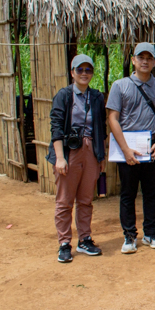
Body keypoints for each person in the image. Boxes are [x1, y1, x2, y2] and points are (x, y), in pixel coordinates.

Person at [107, 43, 155, 254]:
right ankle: (129, 236)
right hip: (127, 148)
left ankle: (151, 233)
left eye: (149, 58)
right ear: (133, 60)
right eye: (140, 57)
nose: (145, 61)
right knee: (127, 193)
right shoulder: (120, 86)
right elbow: (112, 118)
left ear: (154, 62)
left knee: (151, 192)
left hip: (152, 146)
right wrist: (125, 149)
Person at [48, 54, 106, 263]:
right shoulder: (64, 96)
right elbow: (56, 127)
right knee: (64, 201)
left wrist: (101, 156)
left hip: (90, 150)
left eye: (88, 70)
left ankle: (85, 239)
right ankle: (64, 243)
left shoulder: (97, 97)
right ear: (72, 72)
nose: (84, 74)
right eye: (79, 70)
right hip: (69, 152)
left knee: (85, 199)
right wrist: (60, 157)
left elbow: (101, 128)